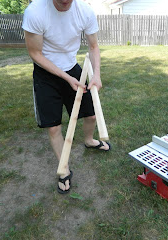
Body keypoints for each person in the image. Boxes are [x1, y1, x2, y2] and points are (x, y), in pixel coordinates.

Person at [22, 0, 110, 194]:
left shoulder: (85, 11)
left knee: (91, 115)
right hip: (46, 73)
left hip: (72, 67)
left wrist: (96, 75)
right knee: (53, 127)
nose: (65, 3)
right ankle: (64, 169)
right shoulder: (35, 12)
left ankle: (89, 140)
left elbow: (94, 47)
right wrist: (65, 77)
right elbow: (35, 53)